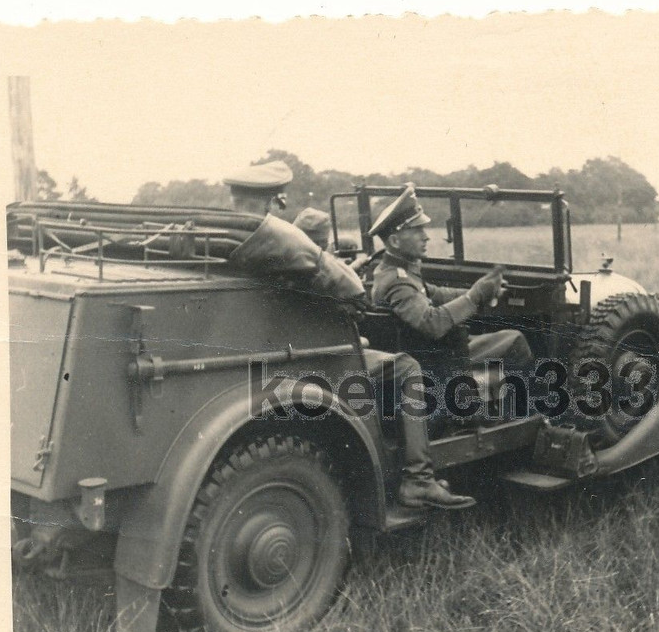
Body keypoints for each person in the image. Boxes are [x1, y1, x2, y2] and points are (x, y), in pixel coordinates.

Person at [229, 174, 474, 511]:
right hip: (314, 352)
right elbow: (350, 294)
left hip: (280, 347)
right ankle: (418, 478)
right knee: (407, 366)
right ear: (274, 201)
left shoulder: (236, 238)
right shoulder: (280, 241)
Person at [369, 185, 534, 377]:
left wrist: (479, 291)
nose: (426, 236)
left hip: (428, 353)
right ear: (395, 241)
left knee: (508, 338)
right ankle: (531, 406)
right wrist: (474, 296)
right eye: (416, 230)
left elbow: (434, 293)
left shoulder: (391, 271)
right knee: (515, 340)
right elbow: (432, 323)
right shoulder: (398, 281)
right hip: (433, 359)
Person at [224, 160, 294, 215]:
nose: (242, 212)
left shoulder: (284, 232)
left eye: (252, 207)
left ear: (270, 206)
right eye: (237, 203)